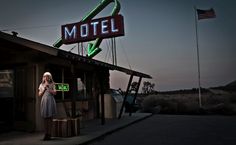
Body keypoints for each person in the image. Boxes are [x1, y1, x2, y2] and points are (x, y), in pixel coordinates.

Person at [38, 72, 57, 140]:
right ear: (43, 77)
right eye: (45, 76)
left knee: (50, 118)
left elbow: (55, 93)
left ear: (50, 77)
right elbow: (39, 95)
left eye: (47, 76)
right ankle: (46, 134)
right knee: (45, 118)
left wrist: (48, 88)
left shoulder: (52, 83)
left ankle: (50, 134)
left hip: (50, 101)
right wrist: (44, 89)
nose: (46, 78)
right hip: (44, 101)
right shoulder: (41, 85)